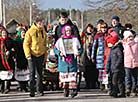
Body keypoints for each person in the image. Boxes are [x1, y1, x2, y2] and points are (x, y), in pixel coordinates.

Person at [54, 25, 82, 98]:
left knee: (72, 77)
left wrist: (79, 52)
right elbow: (55, 49)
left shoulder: (75, 39)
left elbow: (80, 48)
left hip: (72, 61)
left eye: (69, 31)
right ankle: (65, 89)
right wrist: (59, 53)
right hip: (63, 61)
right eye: (67, 31)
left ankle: (73, 91)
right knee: (65, 77)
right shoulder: (60, 40)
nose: (68, 32)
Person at [23, 17, 47, 97]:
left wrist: (45, 56)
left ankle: (39, 90)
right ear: (36, 23)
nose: (41, 24)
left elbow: (45, 44)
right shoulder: (30, 32)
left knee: (40, 74)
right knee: (32, 73)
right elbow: (26, 44)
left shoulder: (43, 31)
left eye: (42, 23)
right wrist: (28, 55)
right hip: (32, 55)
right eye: (40, 23)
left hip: (41, 54)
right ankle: (32, 90)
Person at [80, 23, 97, 89]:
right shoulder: (83, 35)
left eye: (91, 28)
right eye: (88, 28)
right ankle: (87, 83)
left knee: (93, 70)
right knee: (86, 70)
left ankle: (93, 83)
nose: (90, 30)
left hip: (93, 53)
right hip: (85, 54)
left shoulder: (94, 35)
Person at [123, 30, 138, 97]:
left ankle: (134, 89)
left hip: (135, 63)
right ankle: (128, 89)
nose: (130, 38)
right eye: (128, 37)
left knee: (134, 77)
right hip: (127, 63)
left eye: (131, 36)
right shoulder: (124, 45)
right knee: (127, 77)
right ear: (126, 38)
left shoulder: (136, 44)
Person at [0, 29, 15, 94]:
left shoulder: (10, 41)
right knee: (2, 74)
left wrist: (10, 52)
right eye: (3, 33)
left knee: (8, 73)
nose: (4, 34)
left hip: (9, 60)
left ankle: (7, 87)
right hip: (1, 59)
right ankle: (1, 87)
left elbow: (14, 50)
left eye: (5, 33)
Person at [14, 28, 29, 92]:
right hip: (19, 57)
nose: (23, 33)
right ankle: (21, 86)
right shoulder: (16, 41)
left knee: (26, 72)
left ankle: (25, 86)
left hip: (26, 56)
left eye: (24, 32)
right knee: (20, 72)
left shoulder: (27, 40)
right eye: (22, 32)